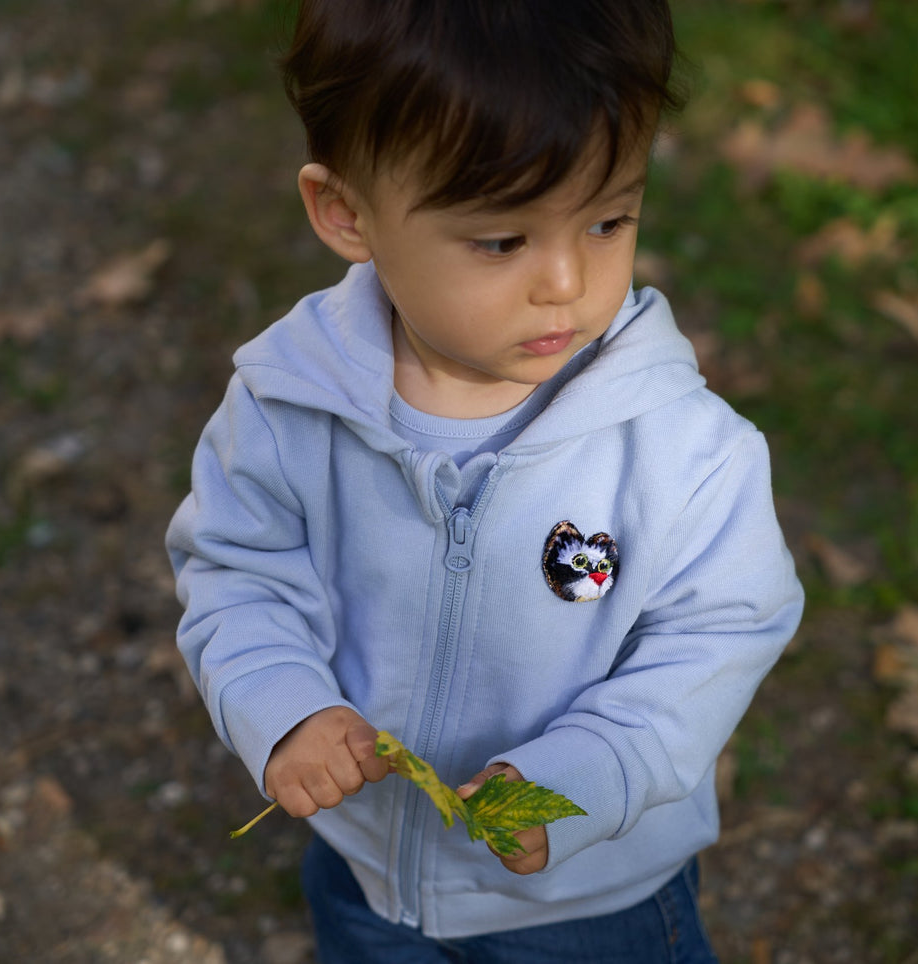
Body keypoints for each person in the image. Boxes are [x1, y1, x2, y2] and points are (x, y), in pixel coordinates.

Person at [165, 1, 804, 960]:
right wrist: (285, 707)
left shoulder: (684, 452)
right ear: (346, 214)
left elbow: (716, 635)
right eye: (501, 242)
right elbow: (237, 574)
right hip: (369, 878)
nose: (564, 282)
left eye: (606, 220)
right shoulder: (290, 407)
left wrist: (580, 780)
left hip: (587, 901)